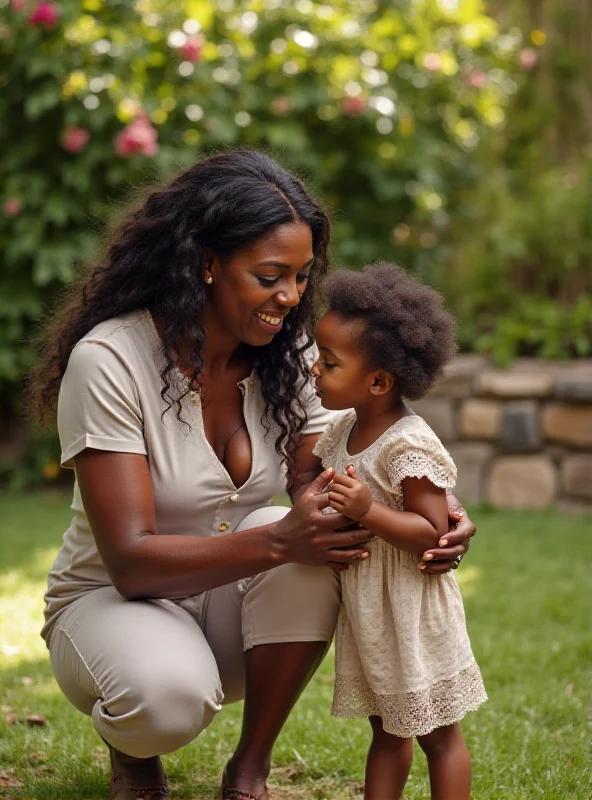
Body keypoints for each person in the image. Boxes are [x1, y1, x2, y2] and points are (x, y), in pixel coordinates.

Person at [31, 150, 477, 800]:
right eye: (270, 276)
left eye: (301, 277)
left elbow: (349, 457)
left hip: (224, 597)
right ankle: (134, 749)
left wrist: (434, 506)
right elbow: (129, 560)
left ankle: (248, 769)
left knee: (316, 533)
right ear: (207, 263)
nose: (290, 298)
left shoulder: (288, 353)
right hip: (110, 601)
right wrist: (278, 542)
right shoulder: (110, 360)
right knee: (167, 697)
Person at [311, 262, 487, 800]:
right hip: (374, 612)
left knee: (438, 735)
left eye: (329, 362)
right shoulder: (343, 427)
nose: (315, 370)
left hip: (413, 609)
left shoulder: (407, 444)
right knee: (387, 731)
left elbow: (434, 533)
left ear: (379, 381)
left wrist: (368, 510)